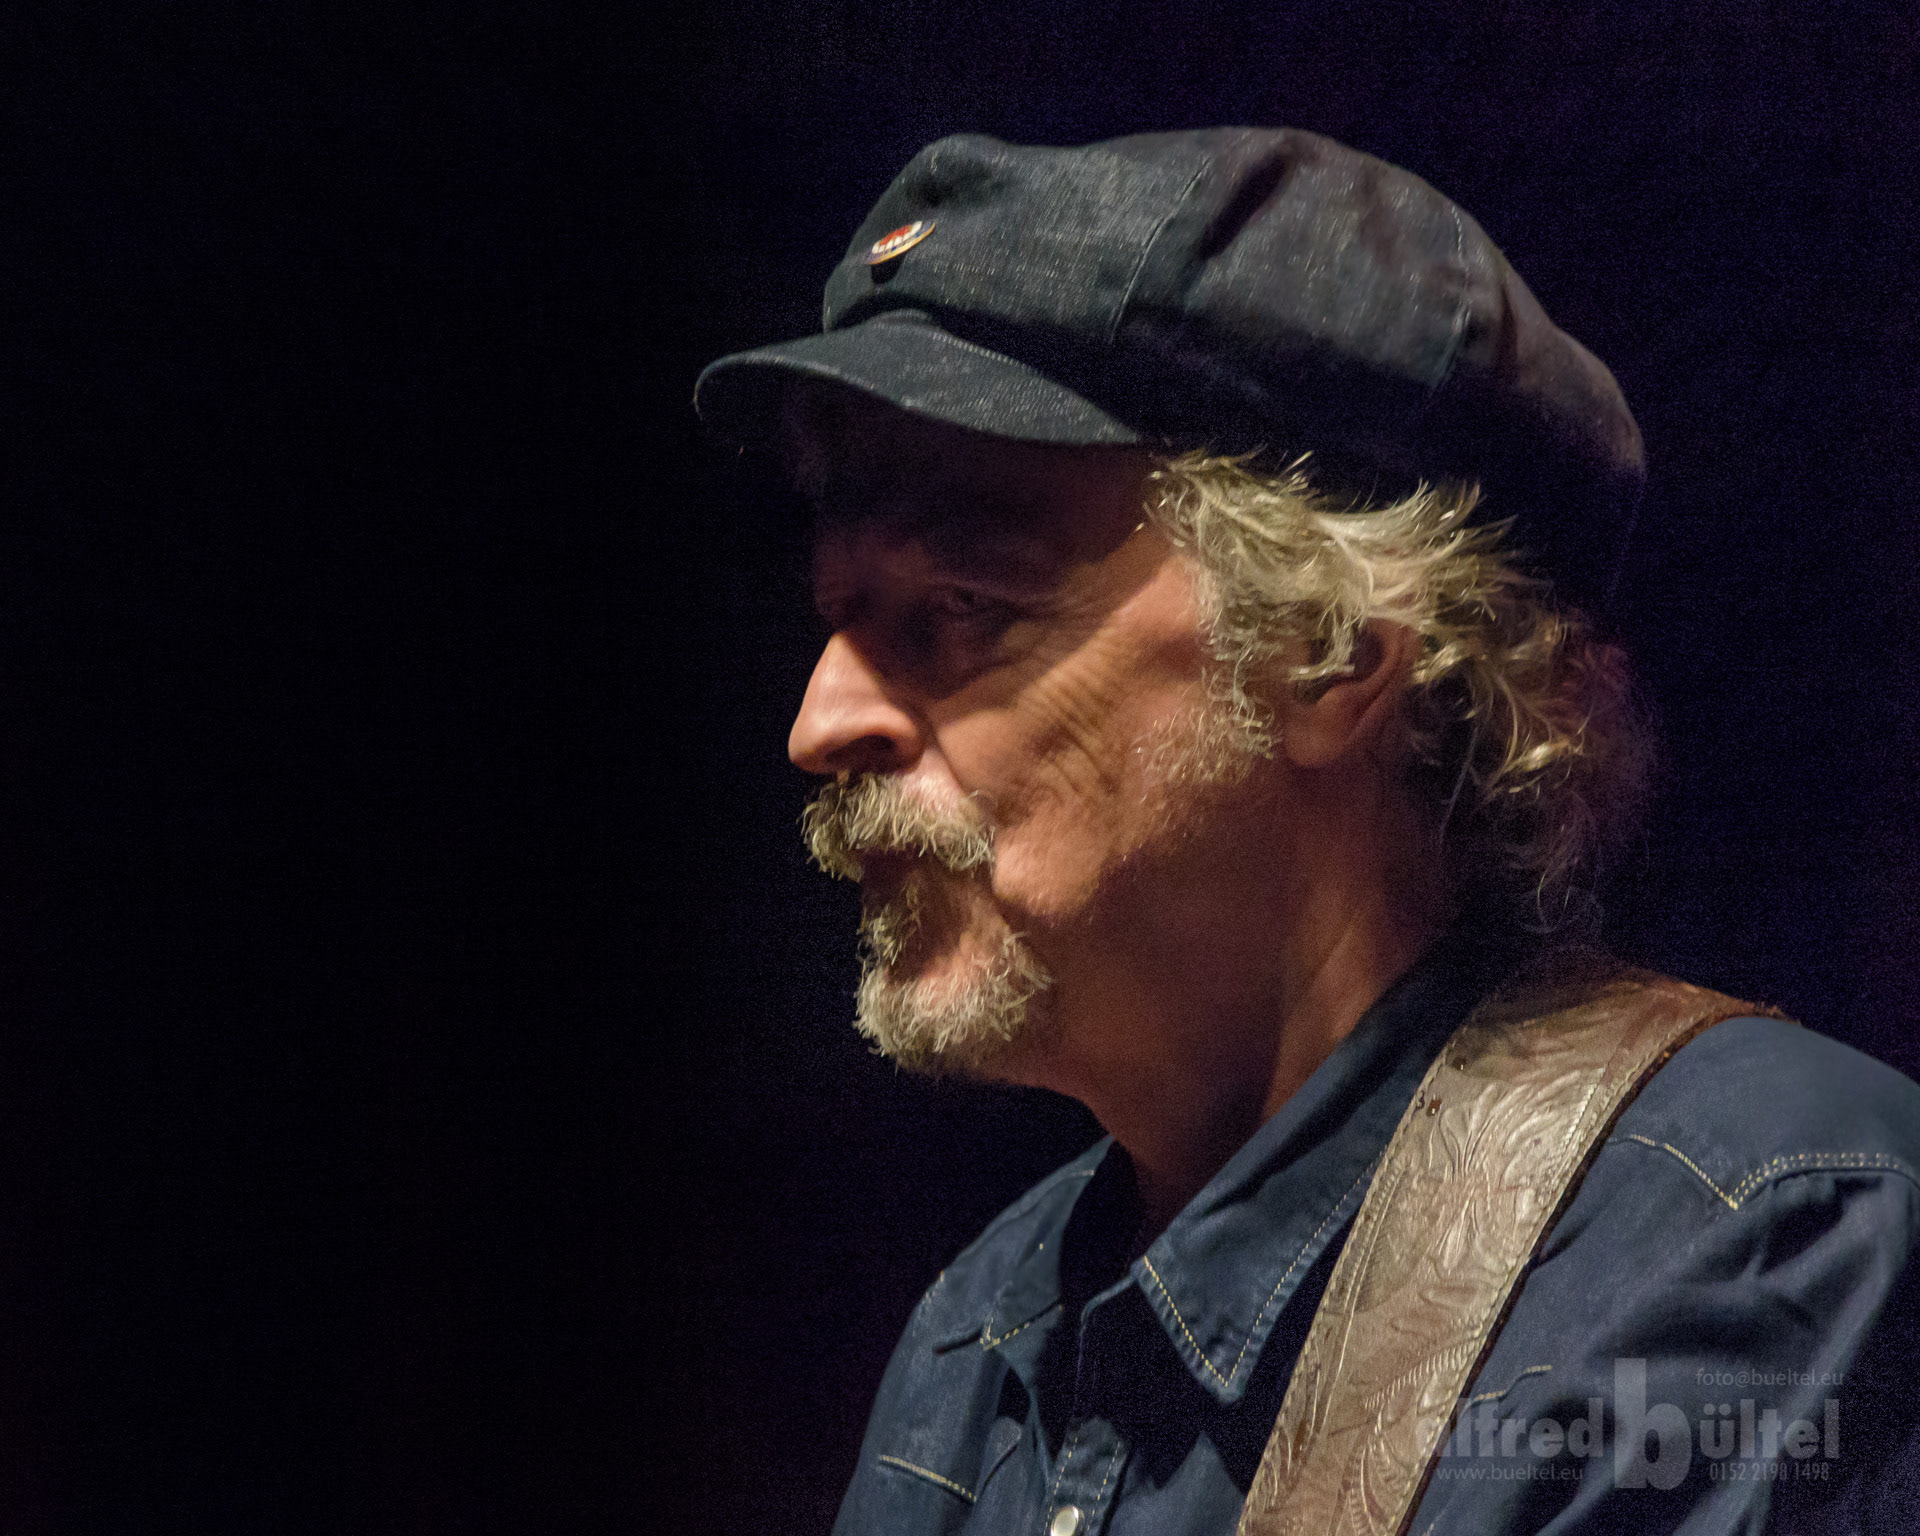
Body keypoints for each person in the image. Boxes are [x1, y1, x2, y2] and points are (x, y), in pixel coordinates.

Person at [694, 128, 1920, 1535]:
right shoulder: (973, 1336)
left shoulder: (1765, 1248)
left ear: (1333, 653)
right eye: (839, 618)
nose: (820, 722)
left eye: (963, 607)